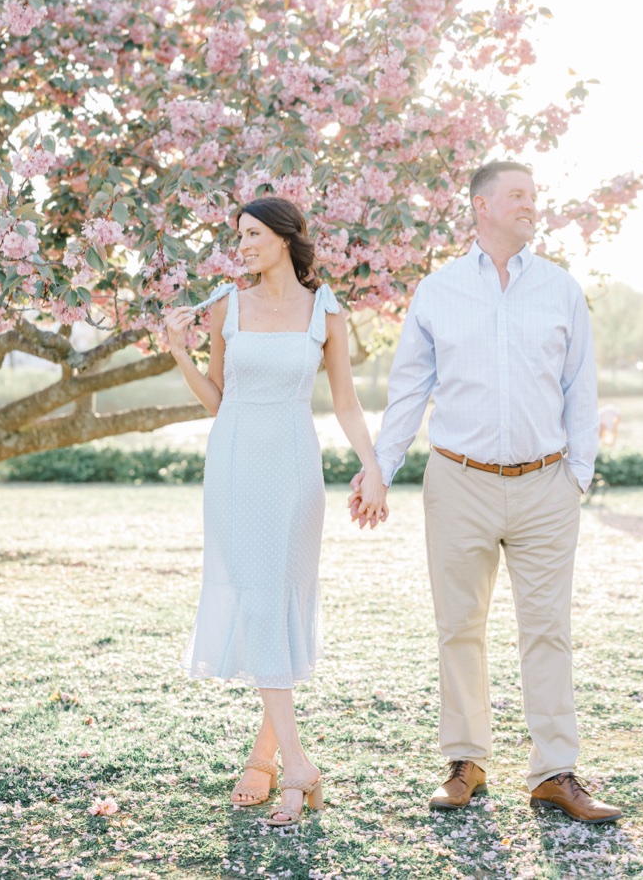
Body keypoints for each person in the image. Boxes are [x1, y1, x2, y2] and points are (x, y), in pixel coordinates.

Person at [346, 159, 618, 822]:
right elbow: (408, 388)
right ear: (481, 207)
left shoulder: (560, 290)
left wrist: (575, 477)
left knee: (548, 630)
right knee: (458, 627)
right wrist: (380, 468)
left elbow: (581, 389)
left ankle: (555, 771)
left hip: (545, 485)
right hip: (457, 482)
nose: (531, 205)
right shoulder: (437, 292)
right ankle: (466, 761)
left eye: (534, 195)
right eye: (518, 195)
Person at [163, 194, 387, 827]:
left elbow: (345, 402)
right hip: (235, 464)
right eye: (240, 234)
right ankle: (296, 764)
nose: (243, 244)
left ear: (285, 238)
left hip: (293, 468)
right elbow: (217, 398)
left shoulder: (327, 312)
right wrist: (178, 350)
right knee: (258, 602)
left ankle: (276, 761)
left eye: (253, 233)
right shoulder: (226, 307)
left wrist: (371, 466)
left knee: (277, 606)